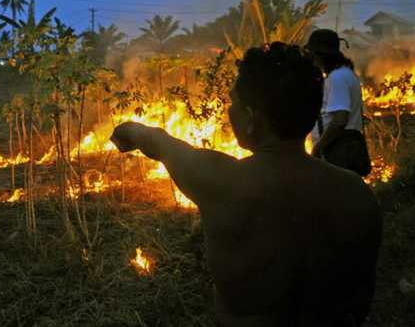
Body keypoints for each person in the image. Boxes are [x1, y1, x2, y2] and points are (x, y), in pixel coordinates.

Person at [111, 42, 382, 326]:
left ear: (250, 118)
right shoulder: (358, 195)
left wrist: (130, 131)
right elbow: (361, 301)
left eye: (233, 103)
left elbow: (159, 143)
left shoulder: (222, 181)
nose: (230, 111)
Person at [306, 29, 371, 177]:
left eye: (313, 54)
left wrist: (318, 148)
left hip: (337, 152)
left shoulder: (337, 78)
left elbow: (340, 119)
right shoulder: (346, 74)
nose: (312, 59)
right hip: (343, 150)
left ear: (321, 55)